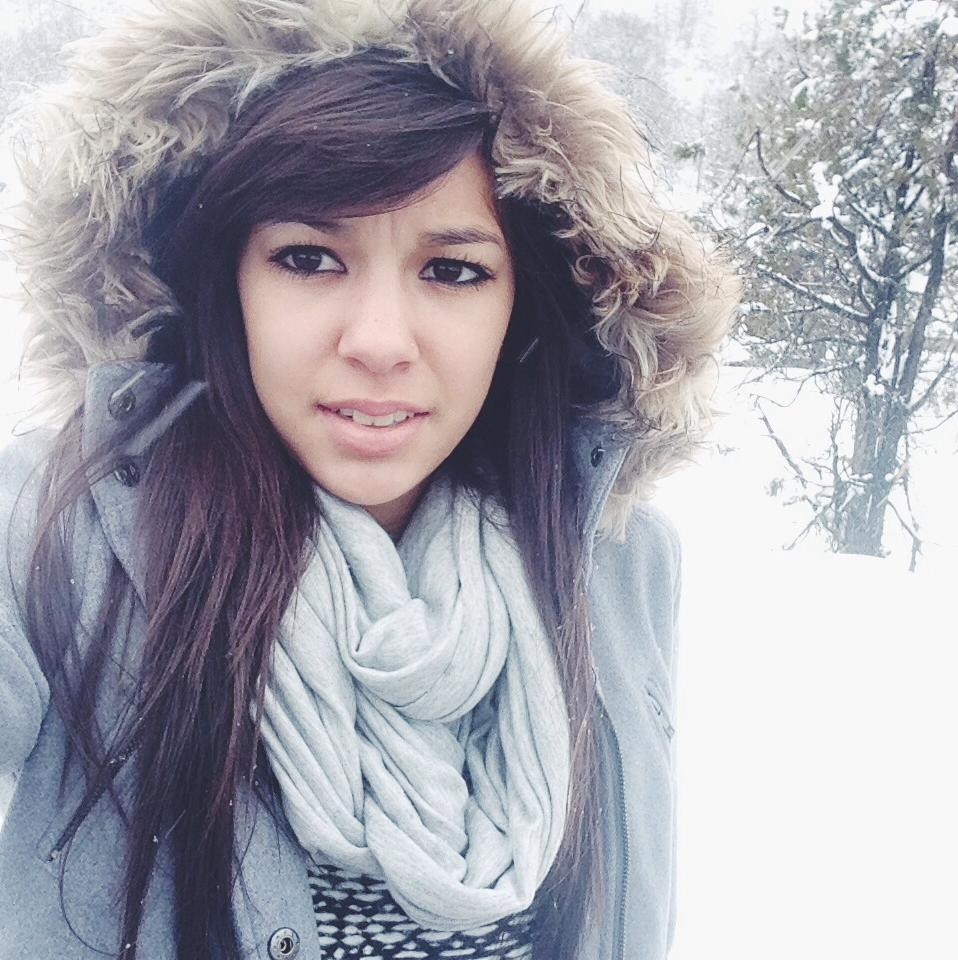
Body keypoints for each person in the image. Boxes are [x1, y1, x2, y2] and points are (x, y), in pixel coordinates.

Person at [0, 1, 738, 958]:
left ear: (525, 303)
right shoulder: (49, 530)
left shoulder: (619, 553)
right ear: (224, 285)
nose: (381, 342)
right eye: (308, 259)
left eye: (454, 270)